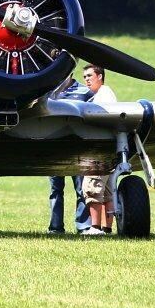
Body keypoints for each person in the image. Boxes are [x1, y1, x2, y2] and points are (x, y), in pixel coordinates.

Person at [47, 78, 93, 234]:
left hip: (77, 150)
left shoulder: (85, 92)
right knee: (55, 190)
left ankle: (83, 225)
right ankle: (55, 227)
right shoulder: (47, 92)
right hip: (55, 150)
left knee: (81, 190)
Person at [81, 64, 117, 235]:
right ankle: (107, 228)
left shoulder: (103, 97)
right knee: (107, 191)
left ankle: (95, 228)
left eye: (90, 76)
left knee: (92, 186)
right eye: (85, 77)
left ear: (100, 76)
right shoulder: (104, 94)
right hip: (109, 149)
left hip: (99, 150)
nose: (87, 80)